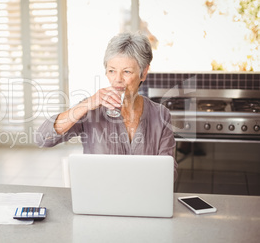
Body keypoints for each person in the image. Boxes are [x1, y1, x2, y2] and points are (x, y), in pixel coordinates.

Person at [35, 32, 177, 180]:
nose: (117, 80)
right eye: (112, 71)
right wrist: (86, 105)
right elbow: (43, 139)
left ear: (143, 73)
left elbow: (169, 172)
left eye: (126, 72)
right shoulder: (91, 110)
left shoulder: (161, 114)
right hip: (99, 197)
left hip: (144, 198)